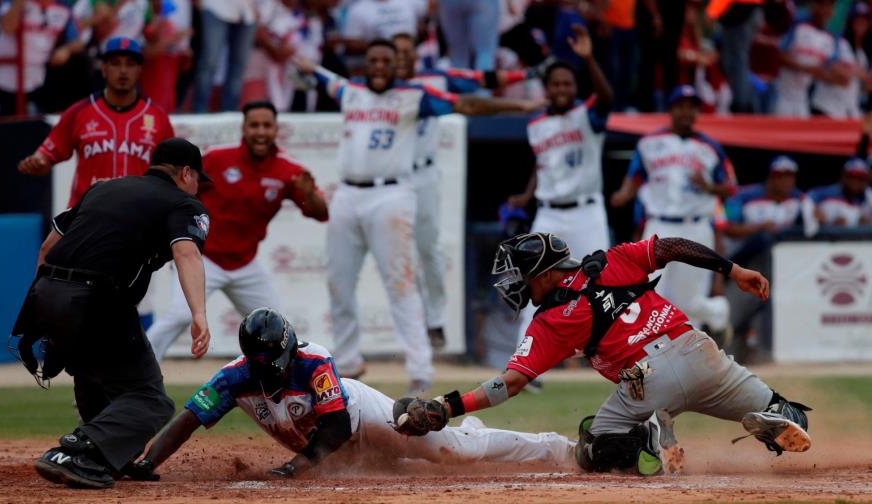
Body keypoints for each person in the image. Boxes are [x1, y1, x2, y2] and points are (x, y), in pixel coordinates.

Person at [392, 232, 812, 476]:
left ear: (543, 273)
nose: (511, 284)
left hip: (645, 381)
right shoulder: (613, 259)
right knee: (794, 415)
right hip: (698, 350)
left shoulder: (549, 320)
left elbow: (511, 383)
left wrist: (448, 406)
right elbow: (674, 248)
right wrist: (733, 270)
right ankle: (771, 416)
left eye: (518, 275)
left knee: (590, 449)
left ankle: (646, 441)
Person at [299, 39, 544, 394]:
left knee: (400, 282)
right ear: (365, 65)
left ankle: (419, 368)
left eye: (386, 60)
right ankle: (349, 360)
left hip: (391, 192)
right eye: (374, 60)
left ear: (395, 63)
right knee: (339, 279)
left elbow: (468, 103)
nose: (380, 65)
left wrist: (521, 104)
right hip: (348, 192)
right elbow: (322, 77)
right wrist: (310, 69)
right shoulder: (350, 89)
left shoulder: (413, 94)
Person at [128, 308, 576, 481]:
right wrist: (148, 463)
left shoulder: (313, 359)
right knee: (394, 473)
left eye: (279, 355)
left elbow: (338, 423)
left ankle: (553, 447)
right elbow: (188, 418)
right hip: (330, 448)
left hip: (365, 418)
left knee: (453, 453)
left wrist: (293, 468)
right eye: (262, 359)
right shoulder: (233, 379)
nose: (273, 364)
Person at [10, 138, 213, 489]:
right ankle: (81, 449)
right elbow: (187, 253)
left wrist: (48, 306)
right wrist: (199, 314)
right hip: (97, 298)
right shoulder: (183, 202)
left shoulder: (103, 189)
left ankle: (107, 454)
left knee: (93, 375)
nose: (198, 189)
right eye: (198, 180)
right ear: (186, 172)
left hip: (46, 292)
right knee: (152, 400)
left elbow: (47, 247)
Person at [147, 100, 328, 361]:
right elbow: (176, 185)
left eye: (267, 125)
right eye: (254, 125)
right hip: (203, 258)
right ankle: (126, 381)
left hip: (246, 264)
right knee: (180, 315)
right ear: (243, 128)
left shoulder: (290, 171)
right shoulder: (217, 158)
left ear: (277, 129)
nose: (260, 131)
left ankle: (293, 388)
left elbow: (321, 213)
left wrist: (310, 195)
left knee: (280, 329)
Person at [392, 31, 534, 349]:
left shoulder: (436, 79)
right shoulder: (378, 90)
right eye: (395, 53)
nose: (400, 58)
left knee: (429, 250)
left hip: (423, 172)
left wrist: (525, 75)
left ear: (415, 56)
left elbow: (482, 78)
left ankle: (437, 320)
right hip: (392, 177)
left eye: (405, 52)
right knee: (396, 255)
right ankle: (405, 325)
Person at [506, 25, 612, 389]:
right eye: (557, 84)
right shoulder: (536, 123)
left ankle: (616, 354)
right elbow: (543, 163)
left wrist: (588, 58)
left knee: (603, 280)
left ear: (576, 88)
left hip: (586, 209)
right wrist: (526, 194)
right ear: (547, 89)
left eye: (568, 83)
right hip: (549, 209)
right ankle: (525, 361)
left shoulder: (588, 116)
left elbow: (607, 97)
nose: (562, 89)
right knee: (533, 283)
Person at [610, 85, 736, 346]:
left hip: (696, 226)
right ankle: (650, 352)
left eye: (691, 107)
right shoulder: (649, 144)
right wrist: (624, 194)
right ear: (671, 110)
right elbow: (634, 177)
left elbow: (731, 186)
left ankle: (717, 312)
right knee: (644, 291)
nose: (686, 112)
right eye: (681, 106)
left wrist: (710, 187)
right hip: (658, 225)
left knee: (688, 300)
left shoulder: (710, 147)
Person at [17, 37, 175, 208]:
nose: (123, 71)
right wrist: (37, 162)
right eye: (115, 63)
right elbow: (46, 156)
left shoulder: (158, 117)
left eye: (130, 64)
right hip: (87, 216)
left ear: (139, 70)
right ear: (103, 68)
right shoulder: (79, 112)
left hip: (139, 217)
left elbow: (172, 172)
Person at [723, 155, 803, 363]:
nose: (786, 181)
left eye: (790, 177)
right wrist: (757, 228)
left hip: (777, 270)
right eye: (780, 176)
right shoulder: (743, 196)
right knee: (733, 319)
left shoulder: (799, 199)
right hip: (742, 266)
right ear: (770, 177)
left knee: (765, 321)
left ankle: (761, 363)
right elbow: (727, 228)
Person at [0, 0, 79, 117]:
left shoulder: (64, 8)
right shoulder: (11, 2)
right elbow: (7, 27)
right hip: (1, 82)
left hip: (35, 84)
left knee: (31, 129)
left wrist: (66, 50)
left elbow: (77, 42)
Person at [773, 0, 845, 118]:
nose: (826, 10)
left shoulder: (830, 38)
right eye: (822, 4)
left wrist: (838, 76)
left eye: (830, 6)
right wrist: (806, 68)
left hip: (802, 99)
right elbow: (777, 55)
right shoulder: (796, 24)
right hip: (779, 94)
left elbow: (830, 70)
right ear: (813, 6)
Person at [192, 0, 256, 112]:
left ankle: (229, 113)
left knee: (238, 66)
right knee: (209, 62)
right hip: (216, 7)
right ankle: (199, 111)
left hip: (248, 12)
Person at [804, 158, 872, 229]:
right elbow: (807, 197)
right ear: (843, 176)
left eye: (860, 177)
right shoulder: (831, 192)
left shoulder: (868, 196)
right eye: (852, 176)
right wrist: (813, 210)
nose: (855, 181)